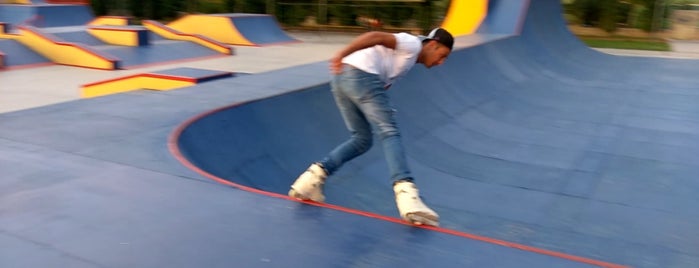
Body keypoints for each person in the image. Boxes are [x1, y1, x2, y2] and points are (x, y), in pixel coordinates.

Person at [288, 28, 454, 227]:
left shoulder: (408, 58)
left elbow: (384, 73)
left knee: (362, 139)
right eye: (442, 55)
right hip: (360, 74)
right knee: (390, 132)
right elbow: (375, 37)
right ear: (433, 44)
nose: (441, 62)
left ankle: (310, 181)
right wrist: (341, 54)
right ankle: (408, 197)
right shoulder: (412, 44)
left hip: (341, 79)